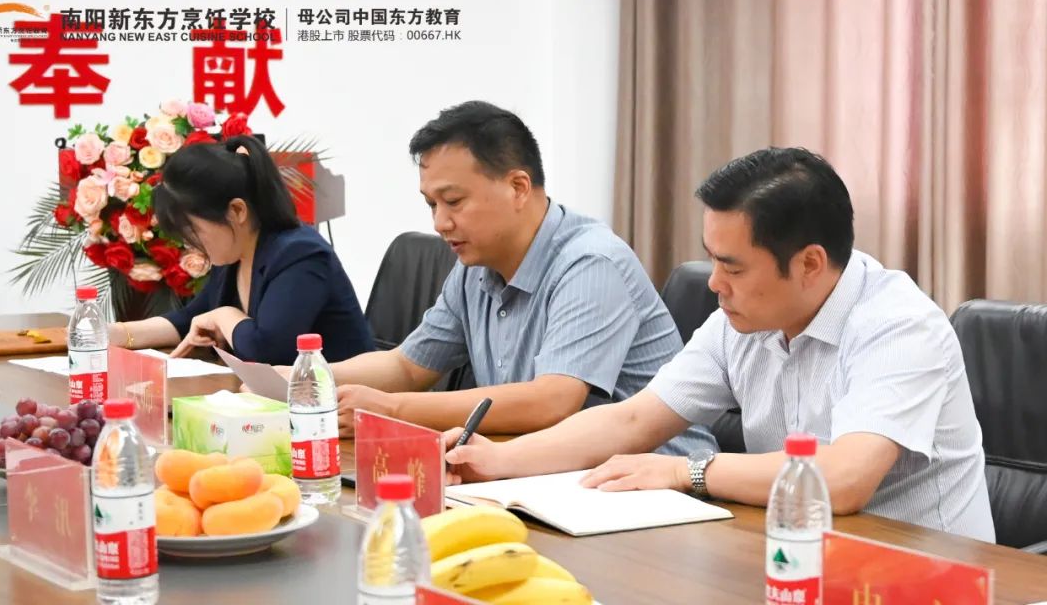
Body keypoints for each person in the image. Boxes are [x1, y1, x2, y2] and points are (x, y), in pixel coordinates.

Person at [442, 147, 995, 542]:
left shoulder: (898, 325)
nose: (713, 283)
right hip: (797, 555)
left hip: (923, 576)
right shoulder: (743, 320)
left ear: (809, 264)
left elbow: (842, 479)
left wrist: (687, 472)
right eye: (711, 260)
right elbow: (633, 420)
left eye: (732, 267)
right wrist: (497, 461)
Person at [322, 100, 714, 451]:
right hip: (541, 469)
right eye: (432, 205)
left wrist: (391, 409)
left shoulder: (591, 262)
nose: (440, 222)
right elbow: (408, 367)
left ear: (518, 187)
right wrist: (303, 376)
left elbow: (552, 401)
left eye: (453, 201)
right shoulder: (474, 269)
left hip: (660, 484)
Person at [110, 135, 374, 366]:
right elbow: (190, 319)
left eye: (193, 230)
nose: (189, 243)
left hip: (339, 400)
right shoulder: (236, 250)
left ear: (237, 211)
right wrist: (117, 333)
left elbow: (267, 350)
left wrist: (225, 316)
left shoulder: (300, 255)